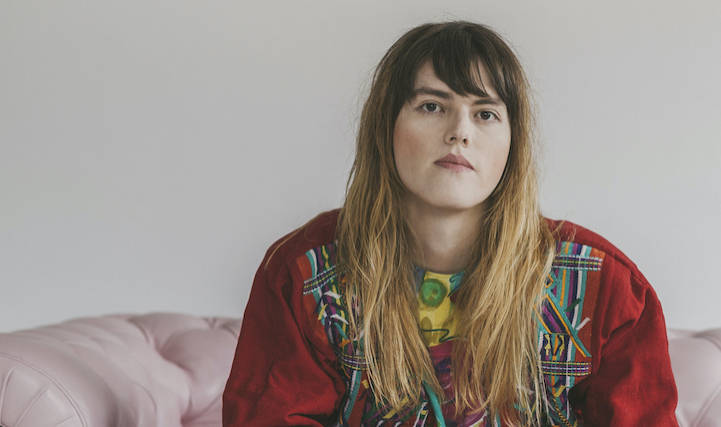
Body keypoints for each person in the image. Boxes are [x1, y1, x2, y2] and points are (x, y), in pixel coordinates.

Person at [223, 21, 678, 427]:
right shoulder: (303, 276)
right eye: (431, 106)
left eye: (486, 114)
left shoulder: (609, 290)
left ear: (512, 145)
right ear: (387, 126)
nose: (460, 131)